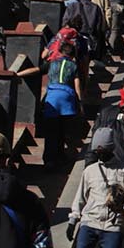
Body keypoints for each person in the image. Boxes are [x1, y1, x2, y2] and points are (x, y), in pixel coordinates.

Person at [39, 24, 84, 162]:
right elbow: (77, 87)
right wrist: (80, 104)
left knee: (50, 132)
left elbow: (36, 70)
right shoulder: (74, 66)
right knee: (62, 131)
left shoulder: (52, 64)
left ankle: (48, 160)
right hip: (67, 100)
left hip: (52, 98)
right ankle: (60, 156)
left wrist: (17, 74)